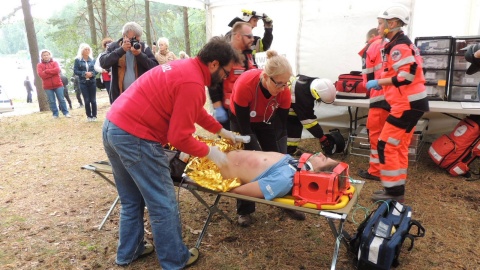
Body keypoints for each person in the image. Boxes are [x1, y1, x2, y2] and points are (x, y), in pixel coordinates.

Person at [102, 36, 240, 268]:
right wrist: (210, 152)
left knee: (131, 199)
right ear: (214, 64)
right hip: (136, 136)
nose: (225, 78)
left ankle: (129, 251)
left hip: (113, 126)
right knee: (163, 203)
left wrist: (221, 131)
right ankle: (175, 259)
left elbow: (192, 110)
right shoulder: (193, 83)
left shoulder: (185, 68)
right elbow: (178, 137)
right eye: (226, 72)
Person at [229, 50, 306, 226]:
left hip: (265, 120)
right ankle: (245, 210)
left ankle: (285, 202)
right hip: (242, 120)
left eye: (286, 83)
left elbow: (281, 125)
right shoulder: (246, 84)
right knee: (248, 162)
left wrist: (279, 154)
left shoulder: (283, 91)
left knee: (281, 161)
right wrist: (255, 150)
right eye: (279, 84)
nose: (283, 88)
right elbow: (245, 128)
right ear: (265, 77)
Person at [365, 5, 429, 202]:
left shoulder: (398, 46)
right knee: (397, 146)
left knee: (386, 144)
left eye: (380, 23)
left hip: (407, 104)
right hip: (410, 103)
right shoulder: (398, 44)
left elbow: (406, 77)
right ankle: (396, 191)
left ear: (391, 23)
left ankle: (393, 193)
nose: (377, 27)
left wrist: (378, 82)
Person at [219, 150, 339, 199]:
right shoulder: (294, 163)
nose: (322, 154)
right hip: (219, 152)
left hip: (214, 168)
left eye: (324, 159)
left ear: (317, 174)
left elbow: (239, 192)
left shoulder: (285, 179)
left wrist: (218, 188)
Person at [356, 28, 391, 181]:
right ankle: (389, 168)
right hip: (396, 98)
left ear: (371, 36)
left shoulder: (370, 47)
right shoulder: (394, 44)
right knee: (391, 136)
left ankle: (376, 172)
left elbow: (367, 80)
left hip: (379, 98)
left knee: (376, 136)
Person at [209, 22, 257, 130]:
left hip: (246, 108)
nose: (252, 39)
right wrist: (217, 107)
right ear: (238, 36)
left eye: (252, 36)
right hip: (227, 112)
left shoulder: (249, 54)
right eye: (249, 36)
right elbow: (212, 81)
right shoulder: (223, 53)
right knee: (230, 144)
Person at [99, 22, 158, 103]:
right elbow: (103, 63)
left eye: (137, 39)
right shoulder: (113, 46)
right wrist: (121, 50)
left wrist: (140, 55)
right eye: (132, 39)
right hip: (120, 96)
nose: (135, 41)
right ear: (124, 36)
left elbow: (155, 68)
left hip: (141, 96)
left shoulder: (143, 47)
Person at [286, 76, 337, 156]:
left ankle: (290, 150)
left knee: (294, 128)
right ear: (316, 93)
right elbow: (309, 121)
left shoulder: (311, 82)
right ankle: (287, 152)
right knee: (293, 128)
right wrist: (321, 136)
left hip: (290, 107)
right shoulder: (302, 95)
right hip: (281, 108)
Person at [36, 49, 71, 119]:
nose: (46, 56)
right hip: (47, 86)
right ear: (41, 57)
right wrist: (52, 73)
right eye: (44, 55)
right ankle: (55, 114)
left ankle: (66, 112)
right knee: (51, 101)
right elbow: (41, 75)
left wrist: (46, 71)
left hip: (58, 84)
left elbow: (57, 70)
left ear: (50, 55)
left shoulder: (54, 63)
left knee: (61, 99)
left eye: (47, 55)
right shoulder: (39, 65)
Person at [74, 43, 98, 122]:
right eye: (85, 49)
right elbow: (75, 71)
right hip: (83, 82)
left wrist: (92, 74)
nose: (87, 51)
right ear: (82, 50)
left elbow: (96, 70)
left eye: (88, 49)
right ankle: (89, 116)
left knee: (93, 100)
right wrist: (84, 74)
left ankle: (94, 115)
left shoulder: (92, 60)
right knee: (87, 100)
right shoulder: (77, 60)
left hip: (92, 82)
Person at [94, 37, 113, 104]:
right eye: (106, 45)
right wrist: (102, 70)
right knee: (110, 94)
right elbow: (96, 66)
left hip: (115, 77)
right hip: (106, 78)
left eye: (110, 44)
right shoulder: (101, 55)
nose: (108, 46)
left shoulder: (116, 53)